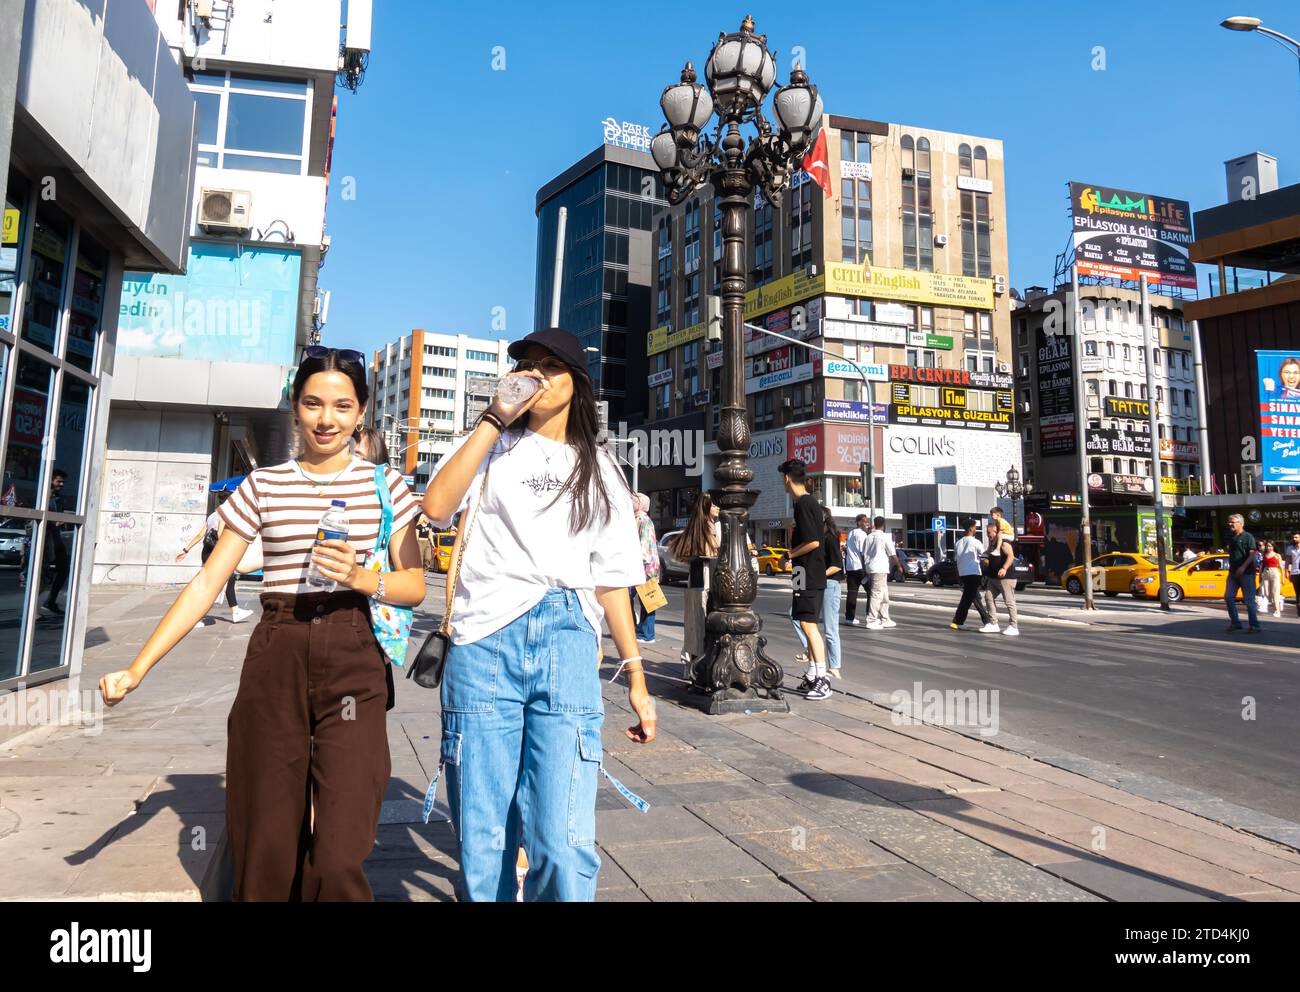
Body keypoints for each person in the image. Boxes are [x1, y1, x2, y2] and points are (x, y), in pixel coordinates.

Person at [100, 347, 427, 901]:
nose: (328, 419)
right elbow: (207, 583)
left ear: (362, 411)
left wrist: (360, 578)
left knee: (345, 835)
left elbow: (414, 585)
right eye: (313, 404)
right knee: (266, 831)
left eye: (343, 406)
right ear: (295, 408)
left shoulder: (386, 487)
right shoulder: (263, 486)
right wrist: (137, 667)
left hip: (354, 654)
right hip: (278, 647)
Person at [420, 327, 654, 903]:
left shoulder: (601, 468)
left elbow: (613, 583)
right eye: (527, 364)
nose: (536, 374)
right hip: (484, 639)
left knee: (563, 835)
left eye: (552, 366)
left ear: (578, 385)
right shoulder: (487, 444)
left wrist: (638, 680)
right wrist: (493, 419)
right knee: (484, 832)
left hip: (568, 638)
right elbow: (436, 506)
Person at [778, 458, 831, 700]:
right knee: (801, 620)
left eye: (783, 479)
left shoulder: (804, 503)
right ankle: (812, 674)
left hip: (809, 572)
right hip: (801, 573)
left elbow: (813, 542)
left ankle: (822, 678)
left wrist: (789, 554)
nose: (783, 483)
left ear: (787, 478)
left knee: (809, 624)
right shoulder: (805, 504)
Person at [177, 492, 253, 626]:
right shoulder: (225, 514)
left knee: (226, 581)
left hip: (206, 552)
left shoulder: (212, 515)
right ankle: (197, 617)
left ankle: (235, 611)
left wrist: (185, 550)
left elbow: (201, 534)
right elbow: (219, 534)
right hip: (216, 553)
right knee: (213, 585)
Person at [670, 492, 720, 681]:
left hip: (695, 576)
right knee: (702, 617)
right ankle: (699, 661)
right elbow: (710, 551)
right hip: (706, 575)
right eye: (714, 505)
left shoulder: (695, 525)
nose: (718, 508)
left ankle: (689, 660)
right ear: (707, 507)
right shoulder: (708, 526)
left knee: (693, 620)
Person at [791, 507, 843, 679]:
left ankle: (834, 666)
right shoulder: (807, 535)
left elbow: (836, 565)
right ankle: (811, 648)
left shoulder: (829, 537)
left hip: (828, 583)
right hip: (807, 580)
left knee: (830, 627)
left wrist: (817, 576)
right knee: (796, 615)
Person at [950, 519, 994, 631]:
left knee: (969, 597)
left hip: (963, 573)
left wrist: (958, 576)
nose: (975, 529)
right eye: (975, 527)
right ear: (970, 528)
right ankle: (987, 621)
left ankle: (958, 621)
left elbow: (956, 561)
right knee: (974, 597)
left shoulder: (958, 543)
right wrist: (990, 565)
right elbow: (984, 557)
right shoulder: (976, 542)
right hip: (974, 573)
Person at [863, 516, 902, 631]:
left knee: (884, 594)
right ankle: (871, 620)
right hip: (880, 568)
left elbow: (863, 553)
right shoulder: (885, 537)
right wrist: (899, 566)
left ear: (874, 524)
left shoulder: (868, 537)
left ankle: (885, 618)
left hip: (871, 567)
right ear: (884, 525)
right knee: (876, 594)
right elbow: (892, 554)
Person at [1224, 513, 1261, 634]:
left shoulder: (1248, 537)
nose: (1230, 524)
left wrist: (1243, 567)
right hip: (1233, 573)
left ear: (1241, 523)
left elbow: (1252, 554)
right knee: (1229, 597)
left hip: (1247, 574)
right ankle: (1235, 623)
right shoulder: (1231, 537)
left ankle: (1254, 625)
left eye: (1233, 522)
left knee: (1248, 600)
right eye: (1229, 522)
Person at [982, 521, 1019, 636]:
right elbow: (987, 555)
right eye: (987, 533)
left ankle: (1014, 626)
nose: (988, 535)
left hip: (1006, 578)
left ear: (996, 532)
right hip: (993, 578)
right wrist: (985, 560)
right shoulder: (992, 544)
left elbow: (1011, 556)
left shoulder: (1003, 542)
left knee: (1009, 601)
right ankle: (993, 623)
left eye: (990, 533)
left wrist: (1004, 568)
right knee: (988, 597)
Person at [631, 492, 659, 644]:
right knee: (646, 599)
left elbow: (644, 545)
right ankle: (641, 630)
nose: (631, 502)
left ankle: (647, 634)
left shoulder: (643, 520)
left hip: (644, 567)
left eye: (634, 500)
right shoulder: (637, 519)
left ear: (641, 503)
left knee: (648, 600)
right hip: (643, 566)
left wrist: (638, 563)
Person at [43, 469, 70, 614]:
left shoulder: (58, 499)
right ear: (51, 480)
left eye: (63, 482)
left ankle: (50, 601)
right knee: (41, 574)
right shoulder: (44, 497)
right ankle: (29, 609)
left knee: (63, 570)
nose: (61, 484)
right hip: (46, 541)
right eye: (58, 481)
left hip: (56, 540)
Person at [843, 514, 870, 626]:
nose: (867, 524)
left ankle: (849, 617)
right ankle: (870, 616)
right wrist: (866, 569)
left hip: (850, 567)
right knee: (871, 592)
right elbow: (863, 552)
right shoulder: (862, 535)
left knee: (852, 593)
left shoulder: (851, 533)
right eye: (865, 522)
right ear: (859, 522)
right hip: (860, 568)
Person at [1260, 540, 1284, 619]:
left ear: (1273, 547)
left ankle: (1277, 611)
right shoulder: (1264, 555)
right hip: (1265, 573)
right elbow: (1261, 566)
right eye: (1267, 546)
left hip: (1274, 573)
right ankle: (1278, 602)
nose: (1269, 548)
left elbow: (1281, 567)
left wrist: (1283, 579)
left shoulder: (1277, 555)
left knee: (1275, 592)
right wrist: (1260, 576)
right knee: (1267, 594)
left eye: (1270, 546)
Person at [1285, 533, 1300, 619]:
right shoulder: (1290, 548)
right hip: (1294, 573)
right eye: (1293, 537)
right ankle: (1299, 613)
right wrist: (1286, 571)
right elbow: (1287, 561)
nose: (1294, 539)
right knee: (1298, 594)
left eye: (1296, 537)